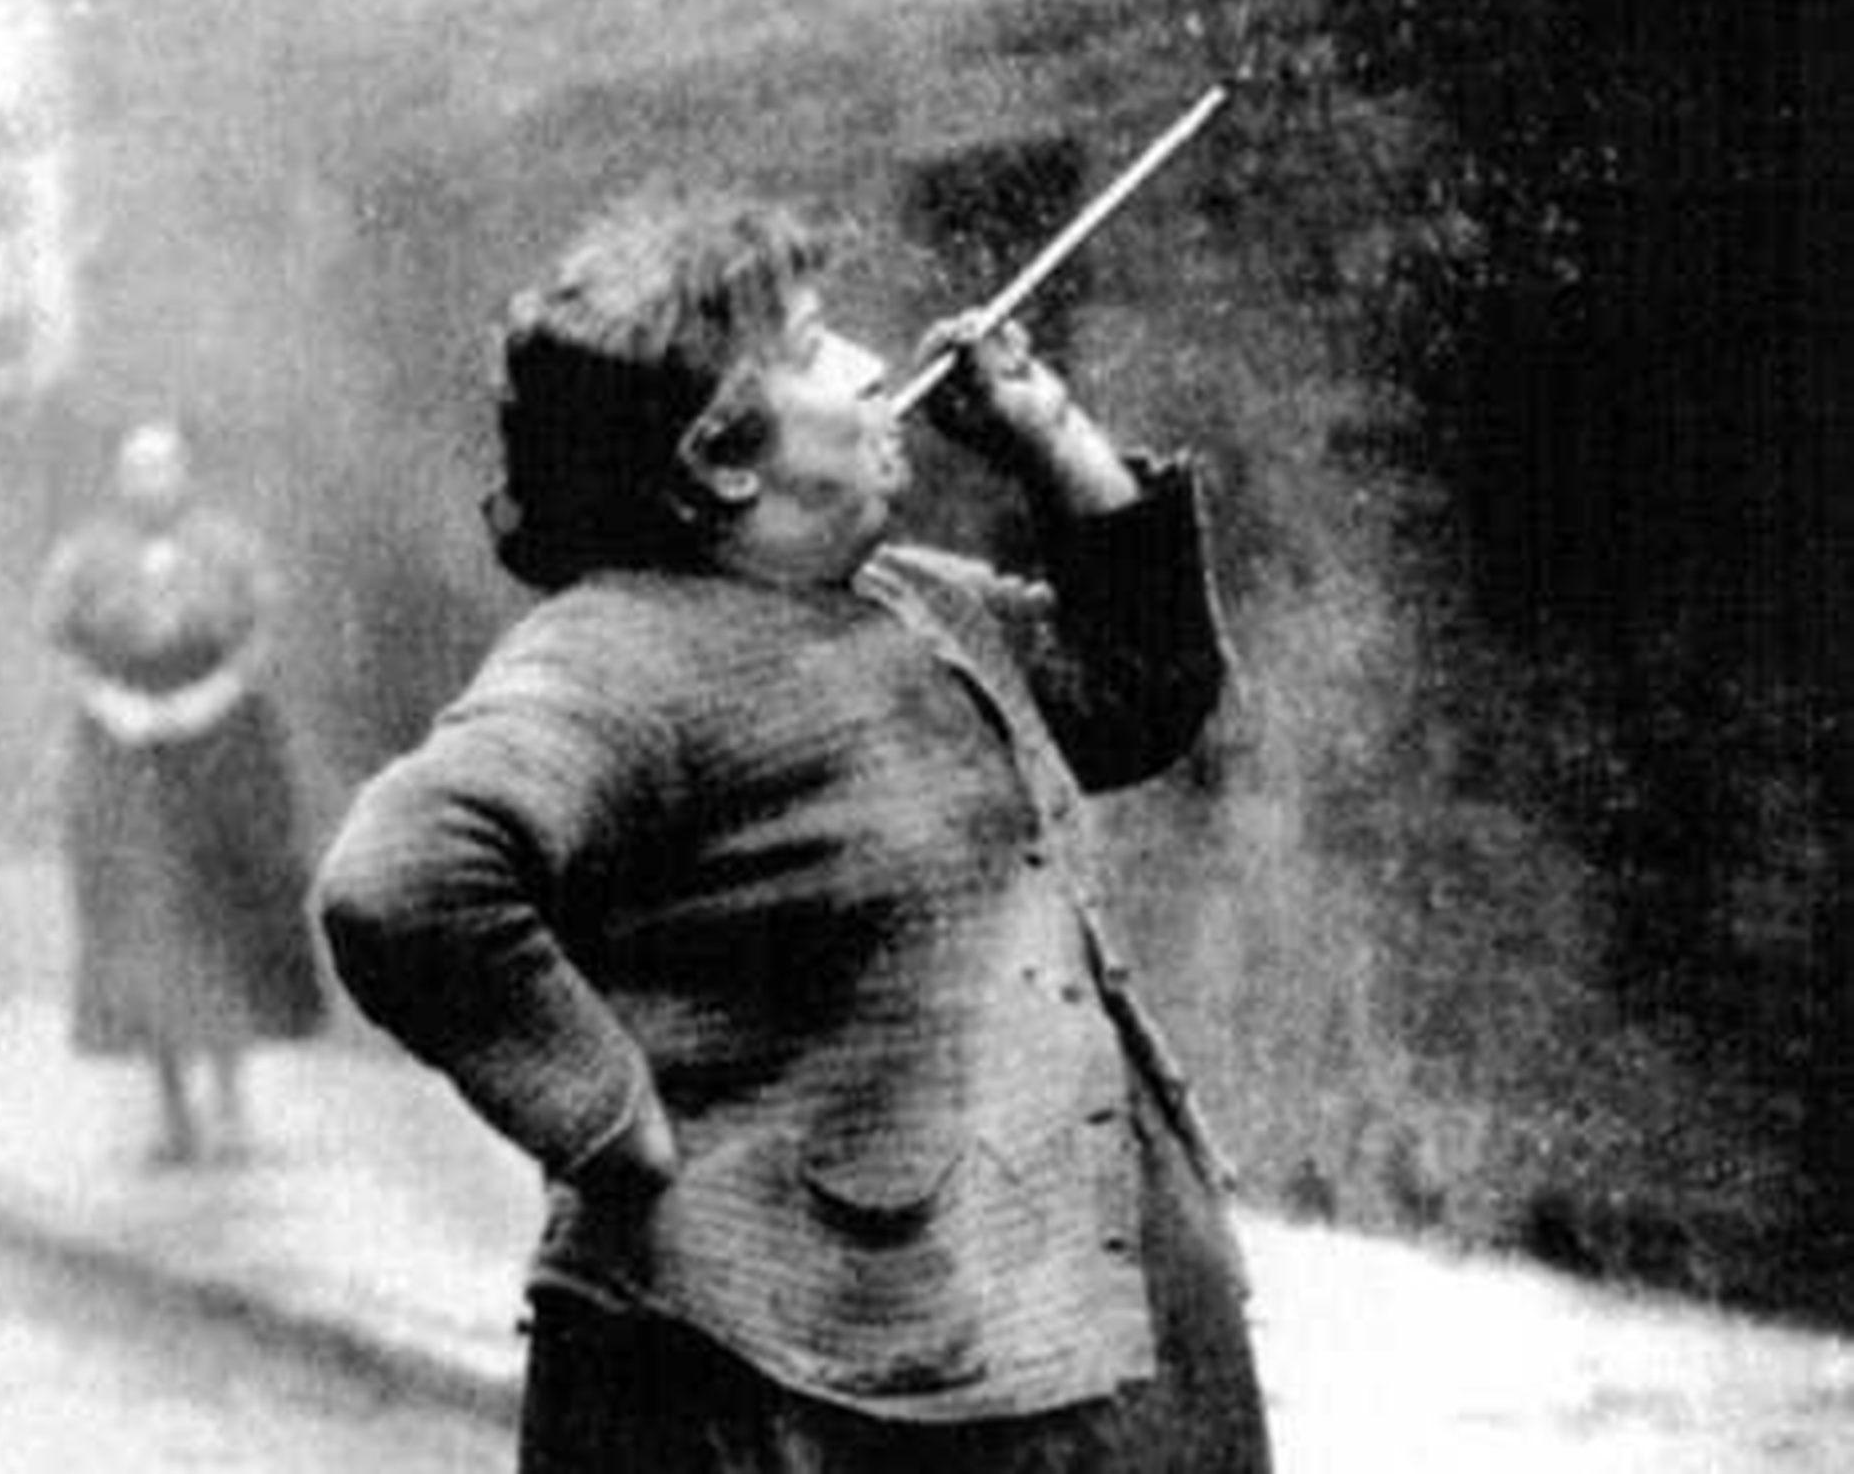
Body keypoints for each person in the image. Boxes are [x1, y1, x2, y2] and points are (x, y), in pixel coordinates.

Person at [316, 190, 1270, 1471]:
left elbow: (1143, 696)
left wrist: (1049, 437)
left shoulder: (912, 602)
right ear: (720, 458)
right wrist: (605, 1116)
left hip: (1013, 1351)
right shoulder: (611, 656)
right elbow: (404, 876)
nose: (876, 365)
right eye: (818, 347)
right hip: (786, 1388)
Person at [39, 420, 325, 1166]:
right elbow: (59, 645)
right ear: (118, 476)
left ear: (186, 472)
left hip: (222, 745)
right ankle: (171, 1114)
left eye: (163, 466)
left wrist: (212, 697)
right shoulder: (86, 555)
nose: (151, 480)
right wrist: (112, 704)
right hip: (124, 750)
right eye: (136, 467)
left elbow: (263, 633)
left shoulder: (229, 547)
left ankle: (231, 1106)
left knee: (226, 911)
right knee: (142, 917)